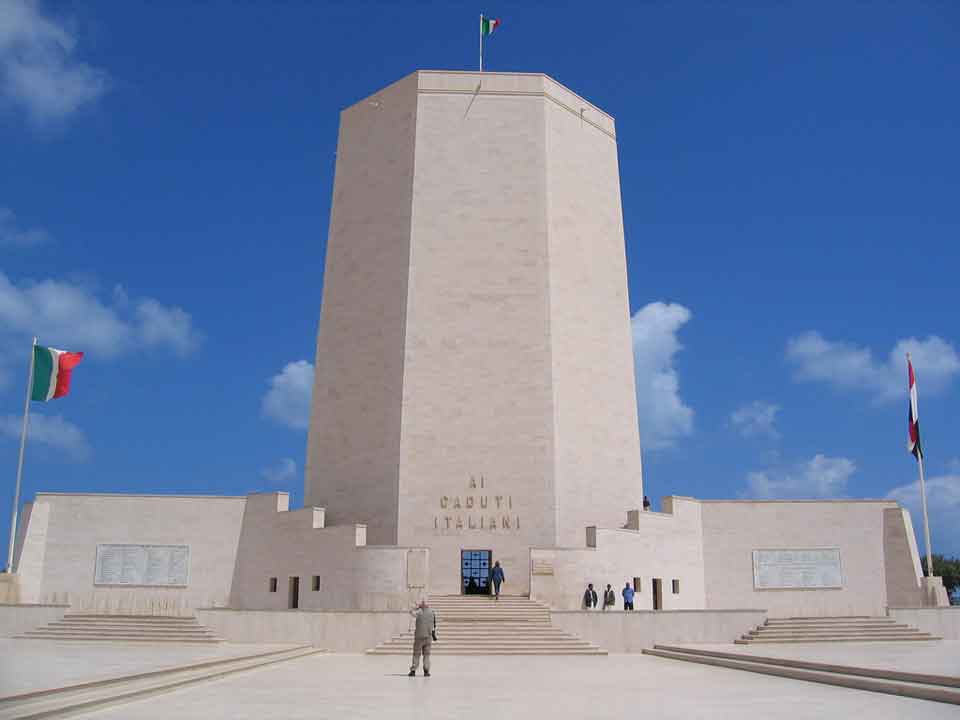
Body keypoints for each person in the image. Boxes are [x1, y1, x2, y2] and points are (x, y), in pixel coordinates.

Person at [408, 599, 437, 677]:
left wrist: (415, 608)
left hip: (419, 637)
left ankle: (413, 670)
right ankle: (426, 671)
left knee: (416, 654)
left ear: (422, 605)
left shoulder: (419, 612)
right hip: (428, 637)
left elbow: (411, 612)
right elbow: (434, 625)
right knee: (426, 655)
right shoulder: (432, 612)